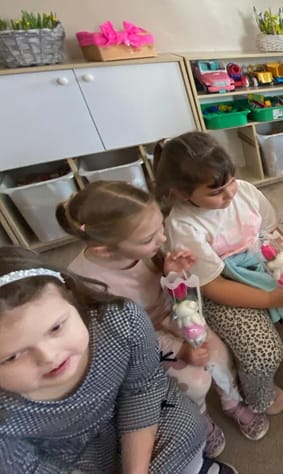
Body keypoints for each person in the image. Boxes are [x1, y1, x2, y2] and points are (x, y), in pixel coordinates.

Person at [57, 181, 261, 452]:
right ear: (105, 249)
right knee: (195, 383)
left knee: (219, 355)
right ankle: (201, 417)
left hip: (171, 314)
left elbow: (178, 296)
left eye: (160, 229)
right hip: (142, 341)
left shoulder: (147, 251)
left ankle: (231, 401)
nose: (162, 240)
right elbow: (128, 338)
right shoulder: (87, 283)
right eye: (148, 239)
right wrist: (181, 350)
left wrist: (173, 273)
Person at [0, 246, 237, 473]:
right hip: (67, 459)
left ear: (72, 298)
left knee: (186, 428)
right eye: (12, 357)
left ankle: (194, 467)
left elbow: (143, 389)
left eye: (56, 328)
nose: (49, 357)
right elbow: (27, 467)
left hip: (139, 415)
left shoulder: (122, 322)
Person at [155, 132, 283, 438]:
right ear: (183, 194)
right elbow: (215, 287)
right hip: (224, 289)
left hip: (263, 264)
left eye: (232, 181)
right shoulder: (183, 226)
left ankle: (282, 325)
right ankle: (258, 395)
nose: (229, 194)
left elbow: (272, 233)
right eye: (216, 191)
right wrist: (273, 299)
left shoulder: (245, 191)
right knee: (263, 354)